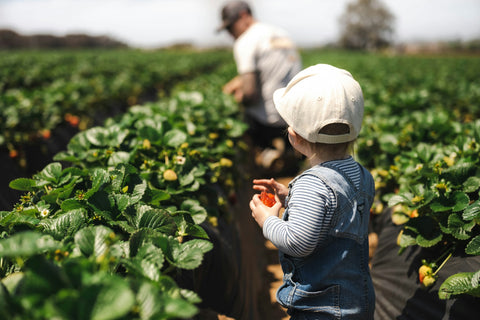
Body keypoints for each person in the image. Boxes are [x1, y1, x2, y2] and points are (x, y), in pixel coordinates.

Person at [249, 64, 375, 319]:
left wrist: (268, 220)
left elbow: (298, 242)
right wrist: (292, 199)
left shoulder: (313, 184)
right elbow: (336, 212)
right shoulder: (362, 175)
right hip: (356, 300)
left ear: (294, 136)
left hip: (321, 307)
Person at [217, 1, 302, 172]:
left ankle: (263, 154)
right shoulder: (280, 34)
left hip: (268, 121)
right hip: (294, 116)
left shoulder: (246, 41)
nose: (230, 34)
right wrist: (238, 81)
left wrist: (236, 99)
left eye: (230, 27)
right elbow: (272, 71)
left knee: (240, 113)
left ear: (243, 16)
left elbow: (250, 94)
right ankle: (289, 152)